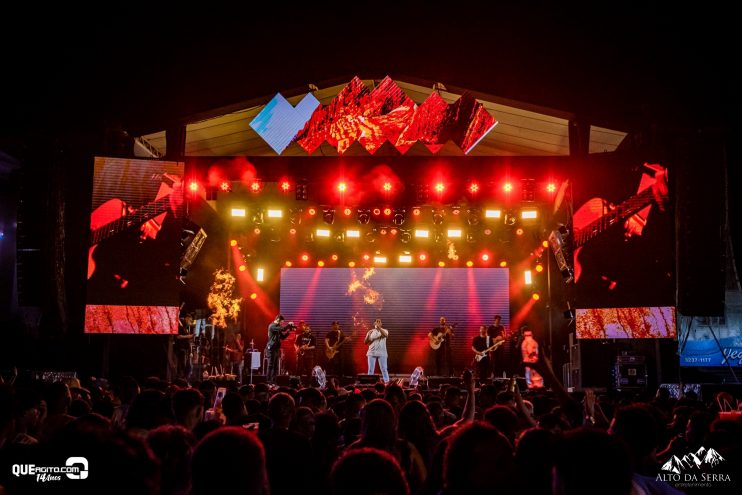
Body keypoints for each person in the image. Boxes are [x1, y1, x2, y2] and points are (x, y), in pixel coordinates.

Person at [266, 314, 293, 384]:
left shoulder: (278, 327)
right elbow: (283, 329)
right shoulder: (272, 326)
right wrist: (288, 325)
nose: (282, 324)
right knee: (270, 365)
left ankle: (273, 382)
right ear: (278, 320)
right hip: (271, 349)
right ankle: (268, 382)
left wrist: (288, 332)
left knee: (275, 366)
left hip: (276, 349)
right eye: (281, 322)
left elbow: (283, 337)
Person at [365, 318, 389, 383]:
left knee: (384, 369)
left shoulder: (385, 330)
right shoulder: (370, 331)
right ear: (374, 323)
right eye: (376, 322)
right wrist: (368, 336)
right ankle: (369, 383)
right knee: (370, 370)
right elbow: (365, 342)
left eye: (379, 322)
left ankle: (387, 382)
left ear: (381, 324)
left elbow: (385, 335)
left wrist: (379, 328)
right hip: (371, 353)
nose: (378, 323)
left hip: (382, 353)